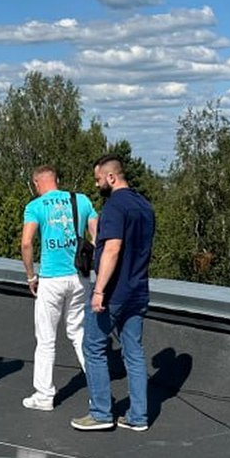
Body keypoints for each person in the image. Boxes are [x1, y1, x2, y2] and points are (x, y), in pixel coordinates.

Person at [72, 154, 154, 432]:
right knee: (134, 351)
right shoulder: (144, 205)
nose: (96, 185)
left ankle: (101, 413)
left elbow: (112, 248)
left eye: (98, 179)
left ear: (111, 177)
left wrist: (99, 291)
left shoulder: (114, 207)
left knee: (93, 346)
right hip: (139, 290)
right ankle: (138, 416)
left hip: (115, 292)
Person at [19, 165, 96, 412]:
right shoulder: (81, 200)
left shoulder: (35, 207)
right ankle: (98, 391)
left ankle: (44, 395)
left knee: (46, 338)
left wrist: (31, 276)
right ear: (57, 180)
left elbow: (26, 243)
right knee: (79, 332)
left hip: (51, 278)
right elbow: (97, 234)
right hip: (79, 276)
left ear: (36, 183)